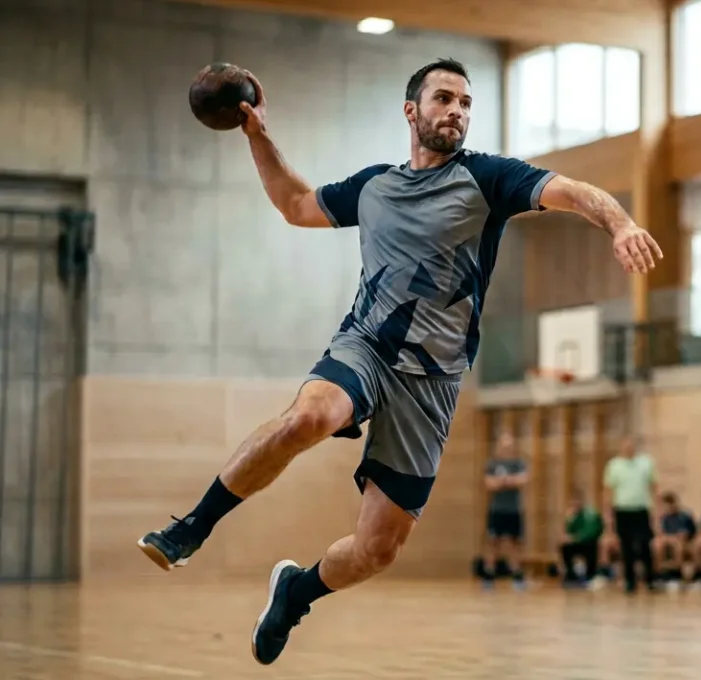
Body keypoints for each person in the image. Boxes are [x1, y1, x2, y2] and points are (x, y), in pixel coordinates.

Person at [133, 58, 663, 665]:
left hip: (433, 381)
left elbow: (570, 190)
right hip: (367, 345)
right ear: (412, 111)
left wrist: (619, 223)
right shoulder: (375, 186)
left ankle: (295, 593)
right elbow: (297, 203)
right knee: (309, 418)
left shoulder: (489, 179)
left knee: (377, 550)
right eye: (443, 99)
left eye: (465, 103)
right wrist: (258, 136)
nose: (456, 111)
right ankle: (192, 528)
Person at [601, 435, 657, 594]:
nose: (628, 448)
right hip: (623, 510)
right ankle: (630, 581)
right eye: (625, 445)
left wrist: (656, 512)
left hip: (641, 509)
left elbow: (654, 486)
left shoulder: (646, 463)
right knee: (626, 547)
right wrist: (608, 515)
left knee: (645, 545)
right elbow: (608, 491)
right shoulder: (614, 465)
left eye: (631, 445)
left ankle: (650, 579)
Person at [481, 433, 528, 590]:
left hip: (514, 509)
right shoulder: (493, 464)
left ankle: (517, 575)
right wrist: (506, 481)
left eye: (509, 445)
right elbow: (489, 484)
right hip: (497, 510)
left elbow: (522, 480)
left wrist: (504, 481)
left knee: (515, 542)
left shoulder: (518, 463)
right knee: (493, 541)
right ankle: (489, 575)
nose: (506, 448)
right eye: (503, 445)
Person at [650, 491, 696, 592]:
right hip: (668, 541)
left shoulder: (684, 516)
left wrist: (669, 538)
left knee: (678, 545)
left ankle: (677, 576)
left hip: (685, 542)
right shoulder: (665, 518)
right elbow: (661, 534)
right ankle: (659, 575)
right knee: (657, 544)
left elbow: (683, 535)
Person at [559, 489, 604, 587]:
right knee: (565, 546)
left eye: (576, 501)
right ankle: (571, 574)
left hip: (588, 543)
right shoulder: (572, 516)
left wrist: (575, 538)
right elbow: (567, 533)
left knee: (591, 545)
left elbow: (591, 532)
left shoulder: (590, 513)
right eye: (572, 502)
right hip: (577, 543)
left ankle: (591, 574)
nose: (574, 504)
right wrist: (568, 521)